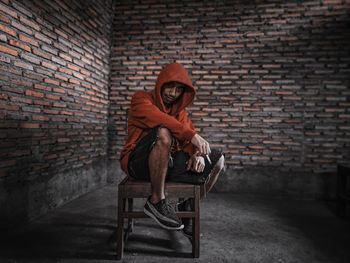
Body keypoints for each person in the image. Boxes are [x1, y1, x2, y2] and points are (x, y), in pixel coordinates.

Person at [120, 62, 225, 238]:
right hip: (137, 164)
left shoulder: (180, 112)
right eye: (170, 87)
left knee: (217, 160)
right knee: (163, 131)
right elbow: (161, 120)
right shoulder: (140, 99)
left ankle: (187, 206)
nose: (173, 94)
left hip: (166, 164)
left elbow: (188, 141)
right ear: (161, 83)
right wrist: (193, 136)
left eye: (178, 90)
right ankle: (156, 201)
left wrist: (196, 154)